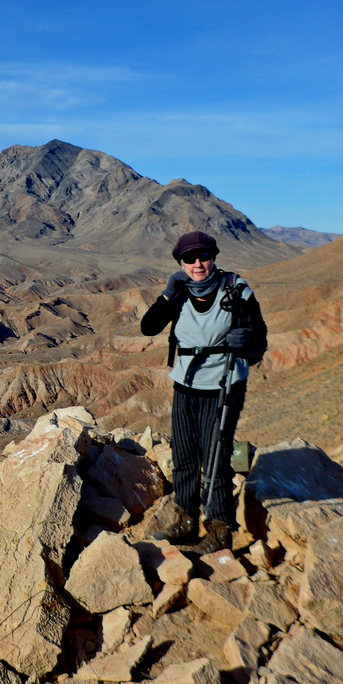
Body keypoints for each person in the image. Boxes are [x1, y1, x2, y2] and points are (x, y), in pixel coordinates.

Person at [140, 230, 267, 552]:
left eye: (203, 257)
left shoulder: (236, 289)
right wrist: (167, 296)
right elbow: (148, 327)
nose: (198, 264)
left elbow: (260, 339)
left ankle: (219, 529)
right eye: (189, 259)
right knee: (184, 455)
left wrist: (247, 341)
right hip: (186, 383)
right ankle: (185, 521)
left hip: (224, 385)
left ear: (213, 257)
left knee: (216, 458)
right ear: (180, 263)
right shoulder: (180, 292)